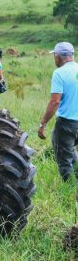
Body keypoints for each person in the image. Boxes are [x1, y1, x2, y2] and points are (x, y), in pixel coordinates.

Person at [37, 42, 78, 181]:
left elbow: (55, 101)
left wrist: (43, 123)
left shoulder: (59, 73)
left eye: (54, 55)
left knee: (64, 159)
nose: (54, 58)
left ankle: (71, 192)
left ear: (59, 56)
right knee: (70, 151)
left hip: (67, 123)